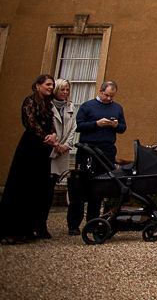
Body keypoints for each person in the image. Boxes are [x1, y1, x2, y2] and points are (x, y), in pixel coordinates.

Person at [0, 75, 57, 244]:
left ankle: (28, 228)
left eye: (52, 85)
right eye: (48, 84)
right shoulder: (29, 101)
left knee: (37, 188)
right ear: (38, 85)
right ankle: (11, 230)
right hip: (30, 146)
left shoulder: (48, 104)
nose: (50, 87)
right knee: (21, 187)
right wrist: (46, 137)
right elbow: (30, 123)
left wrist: (53, 135)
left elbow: (51, 122)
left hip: (44, 149)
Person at [75, 80, 126, 228]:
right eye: (107, 95)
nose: (109, 99)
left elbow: (123, 128)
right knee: (82, 186)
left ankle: (93, 221)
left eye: (112, 96)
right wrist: (96, 124)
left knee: (101, 186)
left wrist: (116, 125)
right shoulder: (87, 106)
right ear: (100, 91)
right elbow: (79, 126)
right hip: (89, 149)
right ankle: (74, 224)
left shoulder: (117, 108)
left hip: (107, 150)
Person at [49, 79, 81, 235]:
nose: (65, 92)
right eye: (62, 89)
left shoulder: (70, 107)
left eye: (67, 90)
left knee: (53, 183)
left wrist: (66, 145)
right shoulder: (47, 106)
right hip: (49, 148)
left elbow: (73, 128)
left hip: (63, 150)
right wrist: (54, 144)